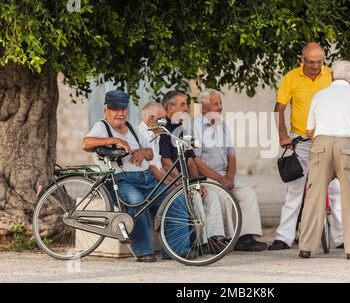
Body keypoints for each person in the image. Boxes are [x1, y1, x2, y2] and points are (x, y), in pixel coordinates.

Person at [81, 90, 190, 262]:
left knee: (175, 199)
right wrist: (113, 141)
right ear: (106, 110)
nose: (120, 113)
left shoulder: (132, 127)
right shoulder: (102, 127)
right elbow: (86, 143)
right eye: (115, 109)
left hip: (146, 179)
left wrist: (141, 152)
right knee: (135, 201)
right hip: (121, 181)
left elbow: (150, 153)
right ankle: (143, 251)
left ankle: (178, 251)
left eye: (123, 109)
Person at [298, 60, 350, 259]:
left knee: (313, 197)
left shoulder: (319, 96)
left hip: (321, 146)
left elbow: (309, 130)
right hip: (348, 147)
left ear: (332, 76)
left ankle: (306, 247)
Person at [269, 42, 343, 251]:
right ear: (302, 59)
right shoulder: (291, 77)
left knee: (335, 188)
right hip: (300, 140)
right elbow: (279, 108)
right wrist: (283, 135)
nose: (315, 66)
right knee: (295, 189)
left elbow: (345, 100)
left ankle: (342, 237)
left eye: (319, 62)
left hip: (327, 138)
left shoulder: (331, 76)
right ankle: (283, 237)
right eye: (311, 62)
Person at [138, 100, 226, 251]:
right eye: (162, 119)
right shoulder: (145, 134)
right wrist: (177, 184)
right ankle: (201, 243)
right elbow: (159, 167)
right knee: (185, 197)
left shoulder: (163, 133)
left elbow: (190, 162)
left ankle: (214, 238)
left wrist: (192, 183)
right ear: (151, 118)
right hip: (148, 182)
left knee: (207, 193)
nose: (164, 122)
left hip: (163, 180)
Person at [192, 89, 267, 252]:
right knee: (224, 196)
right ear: (204, 108)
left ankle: (246, 237)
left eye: (220, 103)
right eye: (216, 104)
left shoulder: (223, 125)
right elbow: (196, 161)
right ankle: (227, 238)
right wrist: (221, 180)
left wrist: (230, 177)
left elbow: (231, 155)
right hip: (208, 177)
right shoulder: (194, 127)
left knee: (248, 193)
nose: (220, 107)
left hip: (225, 175)